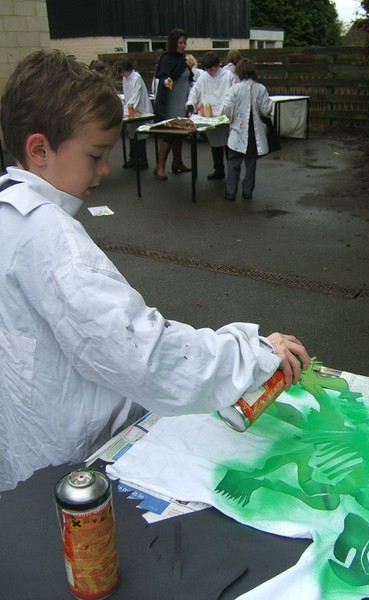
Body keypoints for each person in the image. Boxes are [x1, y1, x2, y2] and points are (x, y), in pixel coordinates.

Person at [0, 49, 310, 492]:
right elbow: (144, 356)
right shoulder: (52, 242)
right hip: (78, 462)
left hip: (27, 457)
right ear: (39, 149)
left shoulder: (9, 212)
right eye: (95, 154)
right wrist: (253, 354)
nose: (105, 168)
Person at [222, 58, 273, 201]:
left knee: (233, 162)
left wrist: (229, 117)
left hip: (237, 130)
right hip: (254, 132)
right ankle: (247, 191)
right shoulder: (260, 88)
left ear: (239, 72)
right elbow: (266, 109)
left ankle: (231, 191)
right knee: (251, 162)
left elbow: (227, 108)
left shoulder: (235, 89)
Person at [187, 52, 235, 180]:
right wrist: (191, 104)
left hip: (225, 115)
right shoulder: (204, 77)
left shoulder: (228, 76)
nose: (210, 72)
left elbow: (233, 94)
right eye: (208, 70)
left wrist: (229, 110)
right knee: (215, 143)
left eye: (212, 69)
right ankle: (218, 170)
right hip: (210, 115)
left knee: (229, 145)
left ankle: (232, 172)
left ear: (218, 65)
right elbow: (195, 92)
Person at [153, 28, 193, 180]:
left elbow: (189, 77)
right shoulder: (166, 58)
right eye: (180, 42)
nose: (183, 45)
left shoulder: (183, 59)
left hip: (182, 100)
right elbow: (163, 77)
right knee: (169, 132)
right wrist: (166, 81)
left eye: (184, 43)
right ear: (173, 43)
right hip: (171, 101)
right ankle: (160, 166)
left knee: (179, 132)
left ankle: (177, 162)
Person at [115, 57, 151, 170]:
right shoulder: (126, 78)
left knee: (140, 135)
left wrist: (127, 110)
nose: (122, 74)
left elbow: (135, 96)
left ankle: (142, 160)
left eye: (122, 71)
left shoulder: (136, 78)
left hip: (141, 110)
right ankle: (133, 158)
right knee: (132, 134)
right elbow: (127, 96)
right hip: (132, 110)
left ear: (127, 69)